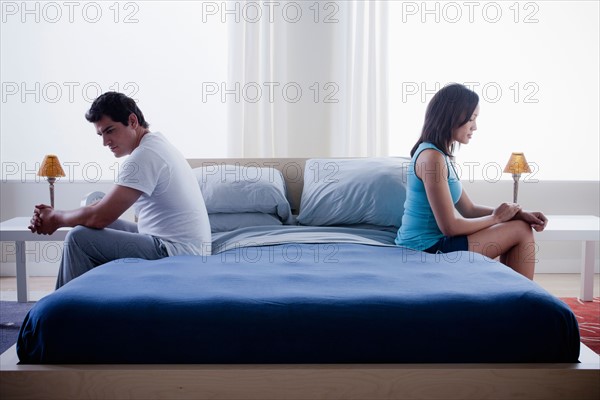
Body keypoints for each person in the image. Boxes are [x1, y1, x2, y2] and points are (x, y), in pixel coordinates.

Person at [29, 92, 211, 288]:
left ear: (132, 121)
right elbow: (103, 208)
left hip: (178, 253)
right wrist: (54, 215)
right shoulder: (155, 144)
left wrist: (56, 219)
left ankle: (66, 314)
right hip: (181, 247)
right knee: (92, 224)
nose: (105, 142)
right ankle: (88, 299)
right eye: (101, 134)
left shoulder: (145, 155)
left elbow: (100, 216)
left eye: (110, 131)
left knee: (78, 238)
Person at [395, 83, 547, 279]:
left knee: (518, 225)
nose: (475, 127)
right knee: (519, 231)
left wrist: (518, 214)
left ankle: (512, 299)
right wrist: (496, 218)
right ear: (452, 116)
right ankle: (525, 304)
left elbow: (469, 209)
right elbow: (449, 226)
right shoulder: (432, 158)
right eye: (471, 119)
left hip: (434, 244)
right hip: (425, 250)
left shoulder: (439, 155)